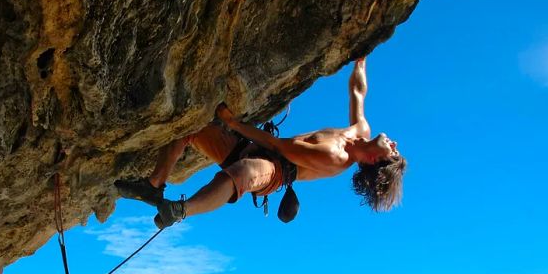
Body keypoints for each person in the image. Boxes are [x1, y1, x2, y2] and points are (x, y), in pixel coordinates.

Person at [115, 58, 406, 228]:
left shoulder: (334, 157)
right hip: (258, 149)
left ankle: (180, 211)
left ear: (372, 160)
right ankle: (152, 187)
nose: (394, 144)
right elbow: (358, 89)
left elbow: (279, 148)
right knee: (193, 127)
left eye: (392, 152)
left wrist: (232, 124)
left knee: (243, 173)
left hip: (275, 171)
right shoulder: (361, 129)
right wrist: (362, 57)